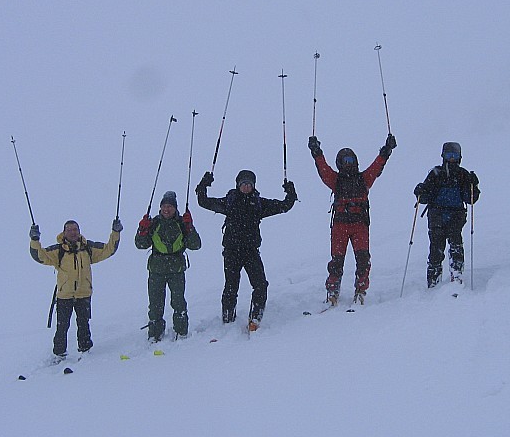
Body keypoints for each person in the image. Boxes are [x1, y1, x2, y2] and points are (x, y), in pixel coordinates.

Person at [196, 169, 297, 331]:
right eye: (243, 184)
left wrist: (290, 192)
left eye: (249, 184)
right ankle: (228, 318)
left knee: (260, 285)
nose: (246, 187)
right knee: (231, 287)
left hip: (251, 251)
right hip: (231, 251)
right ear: (238, 185)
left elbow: (284, 206)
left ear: (253, 186)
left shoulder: (258, 203)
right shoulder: (229, 201)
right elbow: (203, 201)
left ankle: (255, 318)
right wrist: (203, 185)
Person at [307, 133, 396, 306]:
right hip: (340, 225)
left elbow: (377, 166)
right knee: (336, 261)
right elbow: (323, 170)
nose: (349, 163)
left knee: (363, 260)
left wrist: (386, 150)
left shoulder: (364, 179)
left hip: (359, 225)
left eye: (351, 160)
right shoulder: (336, 180)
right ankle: (333, 291)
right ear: (340, 163)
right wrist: (316, 152)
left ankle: (361, 290)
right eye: (345, 161)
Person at [29, 218, 122, 357]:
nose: (73, 232)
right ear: (64, 232)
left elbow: (109, 250)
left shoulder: (88, 248)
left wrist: (116, 232)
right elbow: (39, 256)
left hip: (84, 294)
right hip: (65, 295)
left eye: (75, 229)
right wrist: (34, 239)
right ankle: (59, 353)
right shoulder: (58, 250)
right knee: (62, 326)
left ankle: (85, 350)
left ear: (79, 231)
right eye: (69, 230)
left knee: (84, 324)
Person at [135, 191, 202, 341]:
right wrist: (142, 230)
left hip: (176, 270)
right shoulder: (154, 223)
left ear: (175, 208)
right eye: (164, 206)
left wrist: (190, 228)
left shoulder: (182, 223)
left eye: (170, 206)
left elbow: (196, 245)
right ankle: (155, 333)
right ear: (160, 207)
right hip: (157, 270)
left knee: (178, 302)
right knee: (155, 304)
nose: (167, 209)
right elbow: (140, 245)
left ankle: (181, 331)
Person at [414, 142, 480, 287]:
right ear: (443, 156)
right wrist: (420, 191)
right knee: (436, 250)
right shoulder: (436, 174)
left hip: (455, 216)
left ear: (459, 157)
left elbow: (470, 199)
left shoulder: (463, 175)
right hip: (437, 216)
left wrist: (474, 186)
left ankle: (456, 276)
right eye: (449, 155)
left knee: (456, 246)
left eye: (454, 155)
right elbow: (424, 198)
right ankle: (433, 281)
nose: (451, 159)